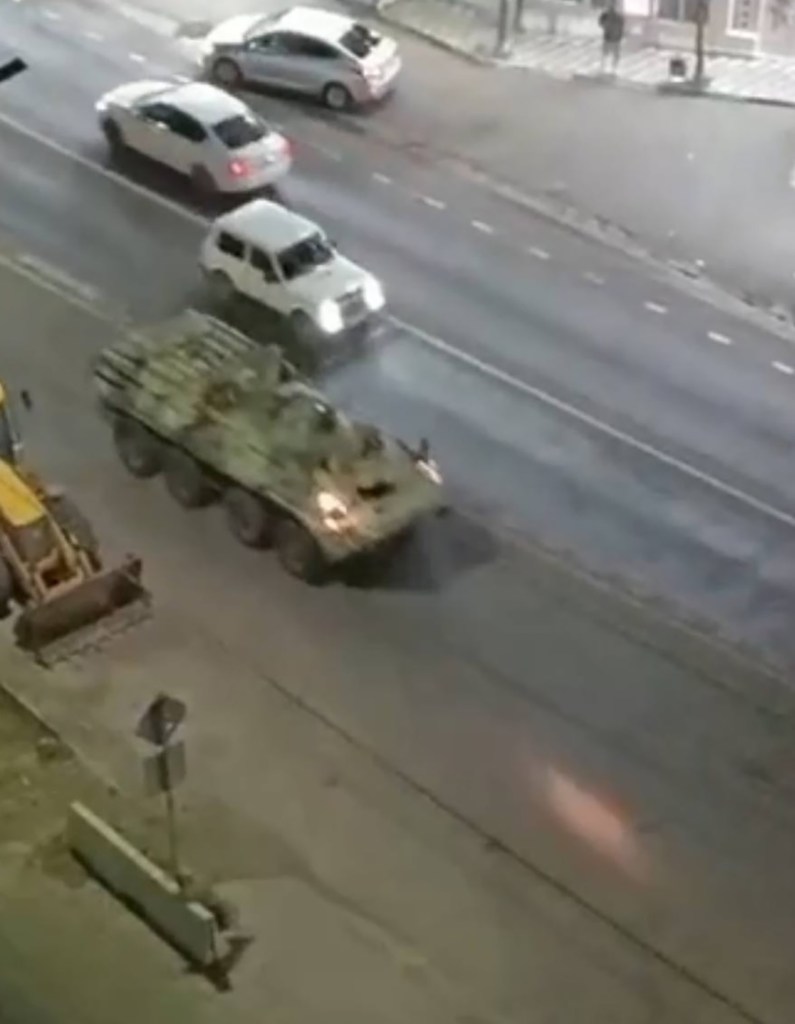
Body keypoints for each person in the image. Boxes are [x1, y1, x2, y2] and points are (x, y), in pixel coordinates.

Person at [599, 2, 625, 75]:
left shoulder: (618, 16)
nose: (612, 8)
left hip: (614, 38)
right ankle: (607, 68)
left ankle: (611, 68)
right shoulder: (606, 15)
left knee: (612, 54)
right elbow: (601, 23)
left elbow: (621, 27)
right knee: (608, 54)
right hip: (611, 38)